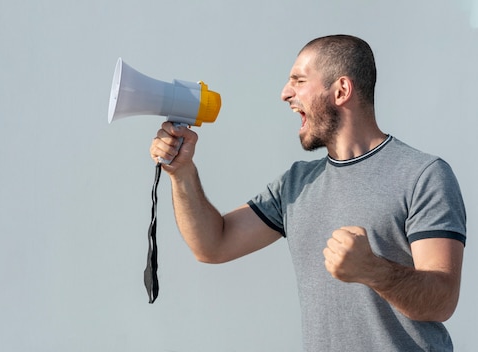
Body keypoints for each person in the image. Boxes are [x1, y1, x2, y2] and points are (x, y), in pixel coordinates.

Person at [149, 34, 466, 351]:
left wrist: (373, 270)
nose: (285, 94)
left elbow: (442, 300)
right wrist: (182, 172)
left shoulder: (423, 175)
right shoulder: (296, 183)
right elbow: (212, 245)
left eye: (299, 81)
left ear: (341, 91)